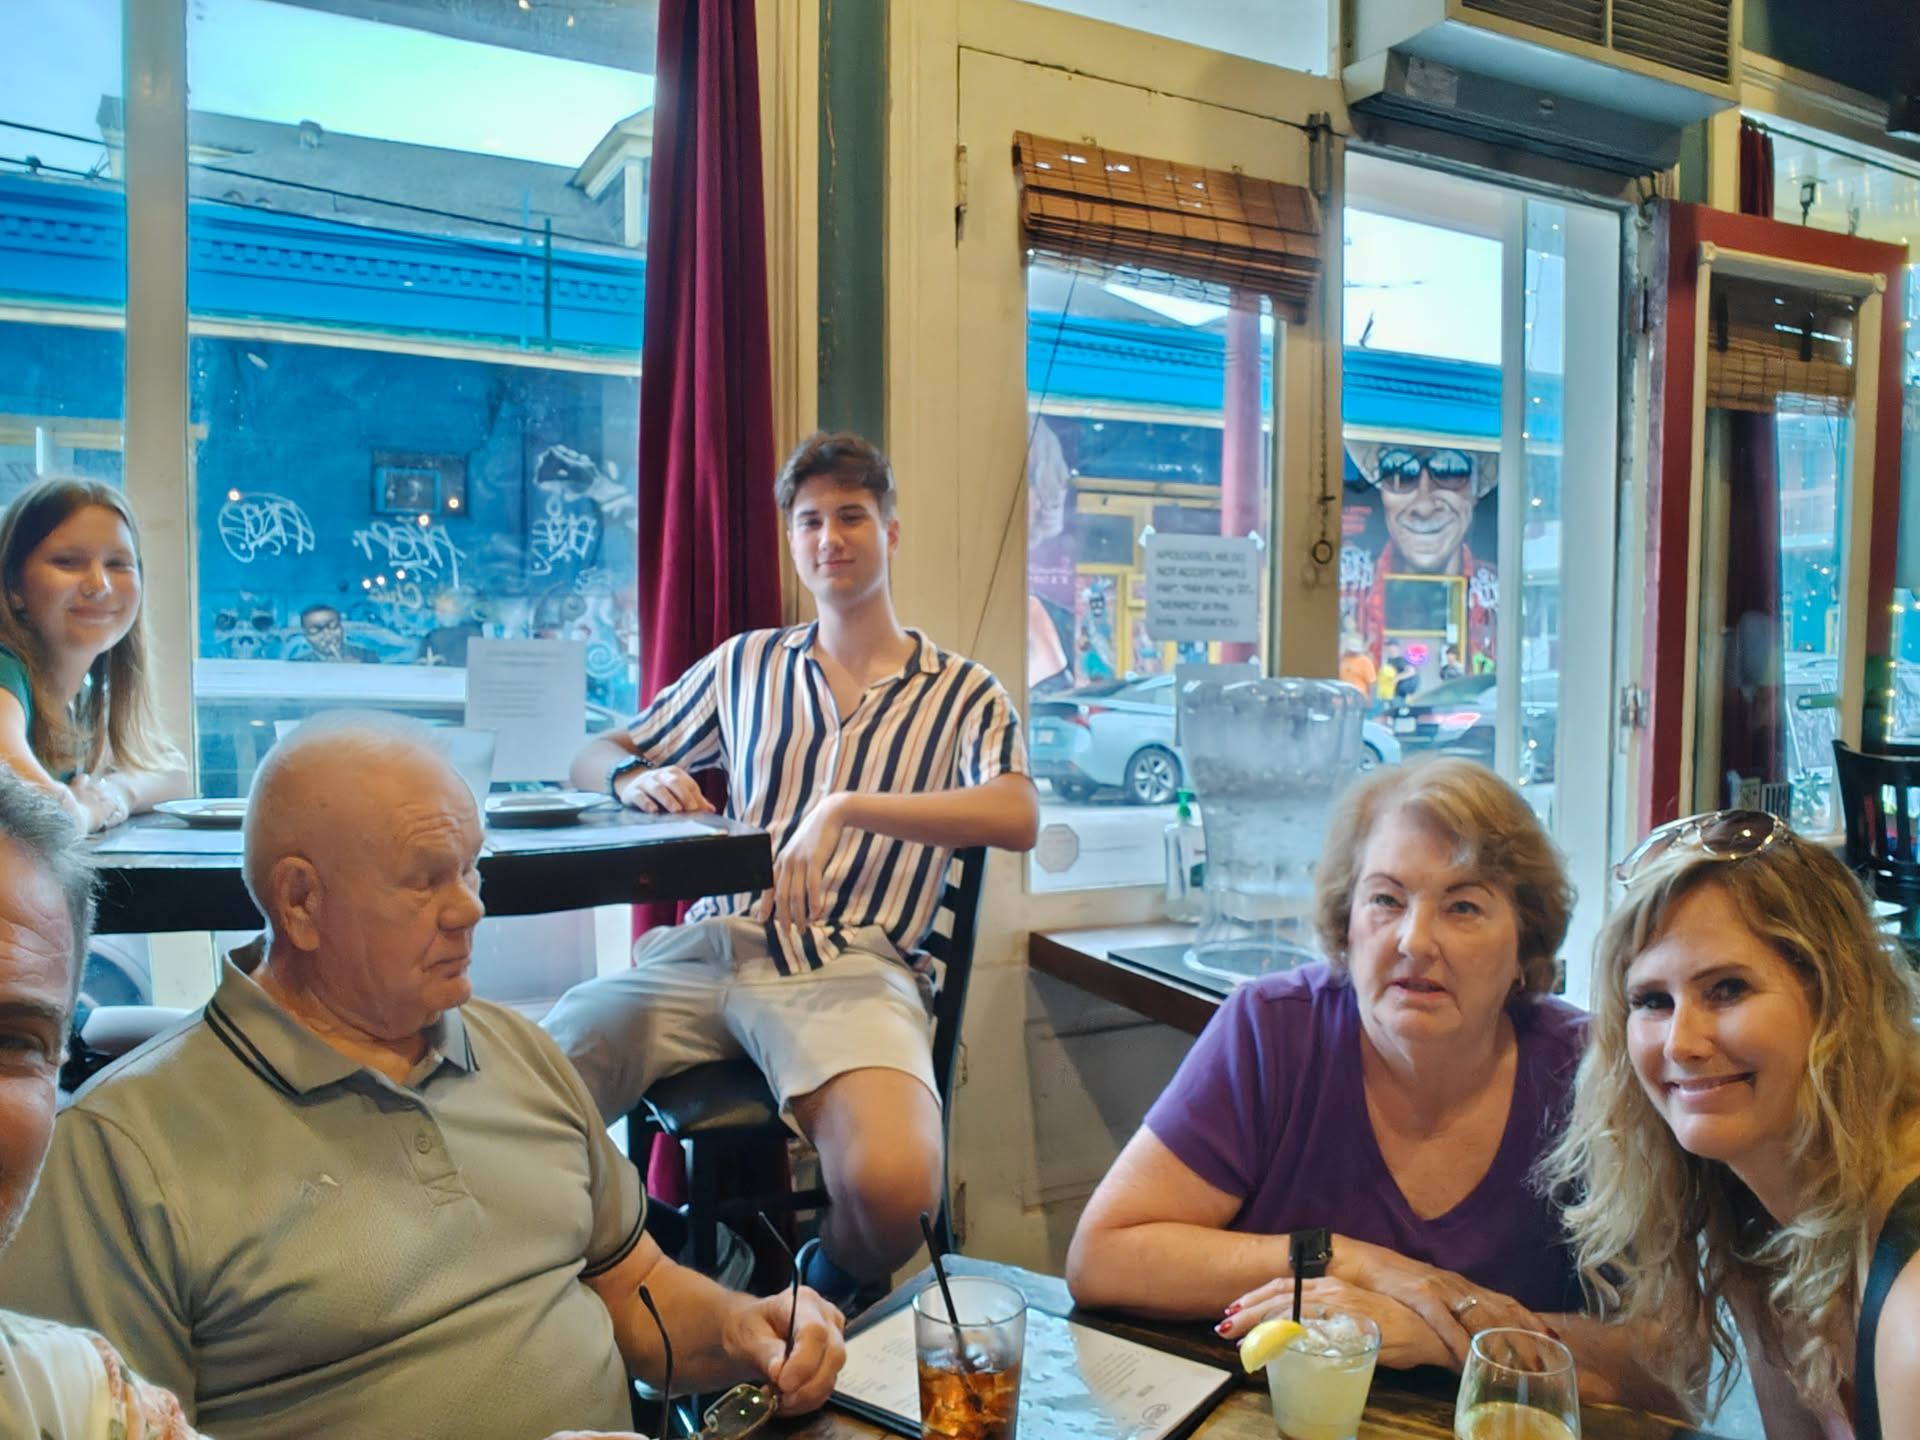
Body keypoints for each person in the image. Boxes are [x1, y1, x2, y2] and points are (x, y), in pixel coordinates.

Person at [0, 715, 844, 1439]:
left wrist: (745, 1328)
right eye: (427, 878)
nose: (471, 906)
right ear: (300, 903)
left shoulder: (521, 1051)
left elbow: (633, 1287)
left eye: (472, 867)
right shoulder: (121, 1149)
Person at [546, 431, 1038, 1305]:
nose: (829, 538)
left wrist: (847, 806)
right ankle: (672, 1255)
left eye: (852, 516)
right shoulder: (747, 664)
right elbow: (593, 753)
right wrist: (631, 776)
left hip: (854, 968)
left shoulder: (964, 691)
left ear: (891, 531)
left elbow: (1017, 814)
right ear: (792, 539)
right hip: (711, 951)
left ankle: (822, 1285)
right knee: (520, 1100)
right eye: (810, 521)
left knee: (898, 1194)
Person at [1065, 757, 1663, 1406]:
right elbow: (1102, 1257)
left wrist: (1439, 1334)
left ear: (1526, 942)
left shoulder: (1591, 1069)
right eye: (1385, 900)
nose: (1414, 941)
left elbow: (1662, 1362)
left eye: (1463, 906)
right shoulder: (1272, 1029)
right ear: (1345, 928)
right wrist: (1350, 1262)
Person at [1546, 810, 1920, 1437]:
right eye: (1653, 1001)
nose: (1680, 1043)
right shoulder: (1752, 1208)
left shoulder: (1911, 1297)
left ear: (1837, 997)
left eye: (1727, 989)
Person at [0, 478, 187, 832]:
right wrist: (87, 813)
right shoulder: (5, 670)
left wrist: (116, 794)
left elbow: (172, 771)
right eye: (68, 562)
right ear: (13, 587)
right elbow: (38, 805)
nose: (100, 585)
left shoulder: (77, 698)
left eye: (118, 563)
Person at [1343, 443, 1499, 675]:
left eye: (1451, 470)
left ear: (1474, 492)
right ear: (1383, 493)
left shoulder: (1501, 595)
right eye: (1399, 471)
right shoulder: (1345, 589)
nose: (1424, 507)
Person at [294, 602, 379, 663]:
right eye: (316, 631)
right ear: (306, 636)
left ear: (342, 627)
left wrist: (361, 670)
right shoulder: (297, 665)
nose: (327, 635)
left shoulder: (368, 656)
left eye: (333, 626)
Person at [1337, 631, 1377, 702]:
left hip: (1359, 698)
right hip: (1344, 698)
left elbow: (1372, 683)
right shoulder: (1343, 660)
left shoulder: (1364, 661)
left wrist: (1371, 700)